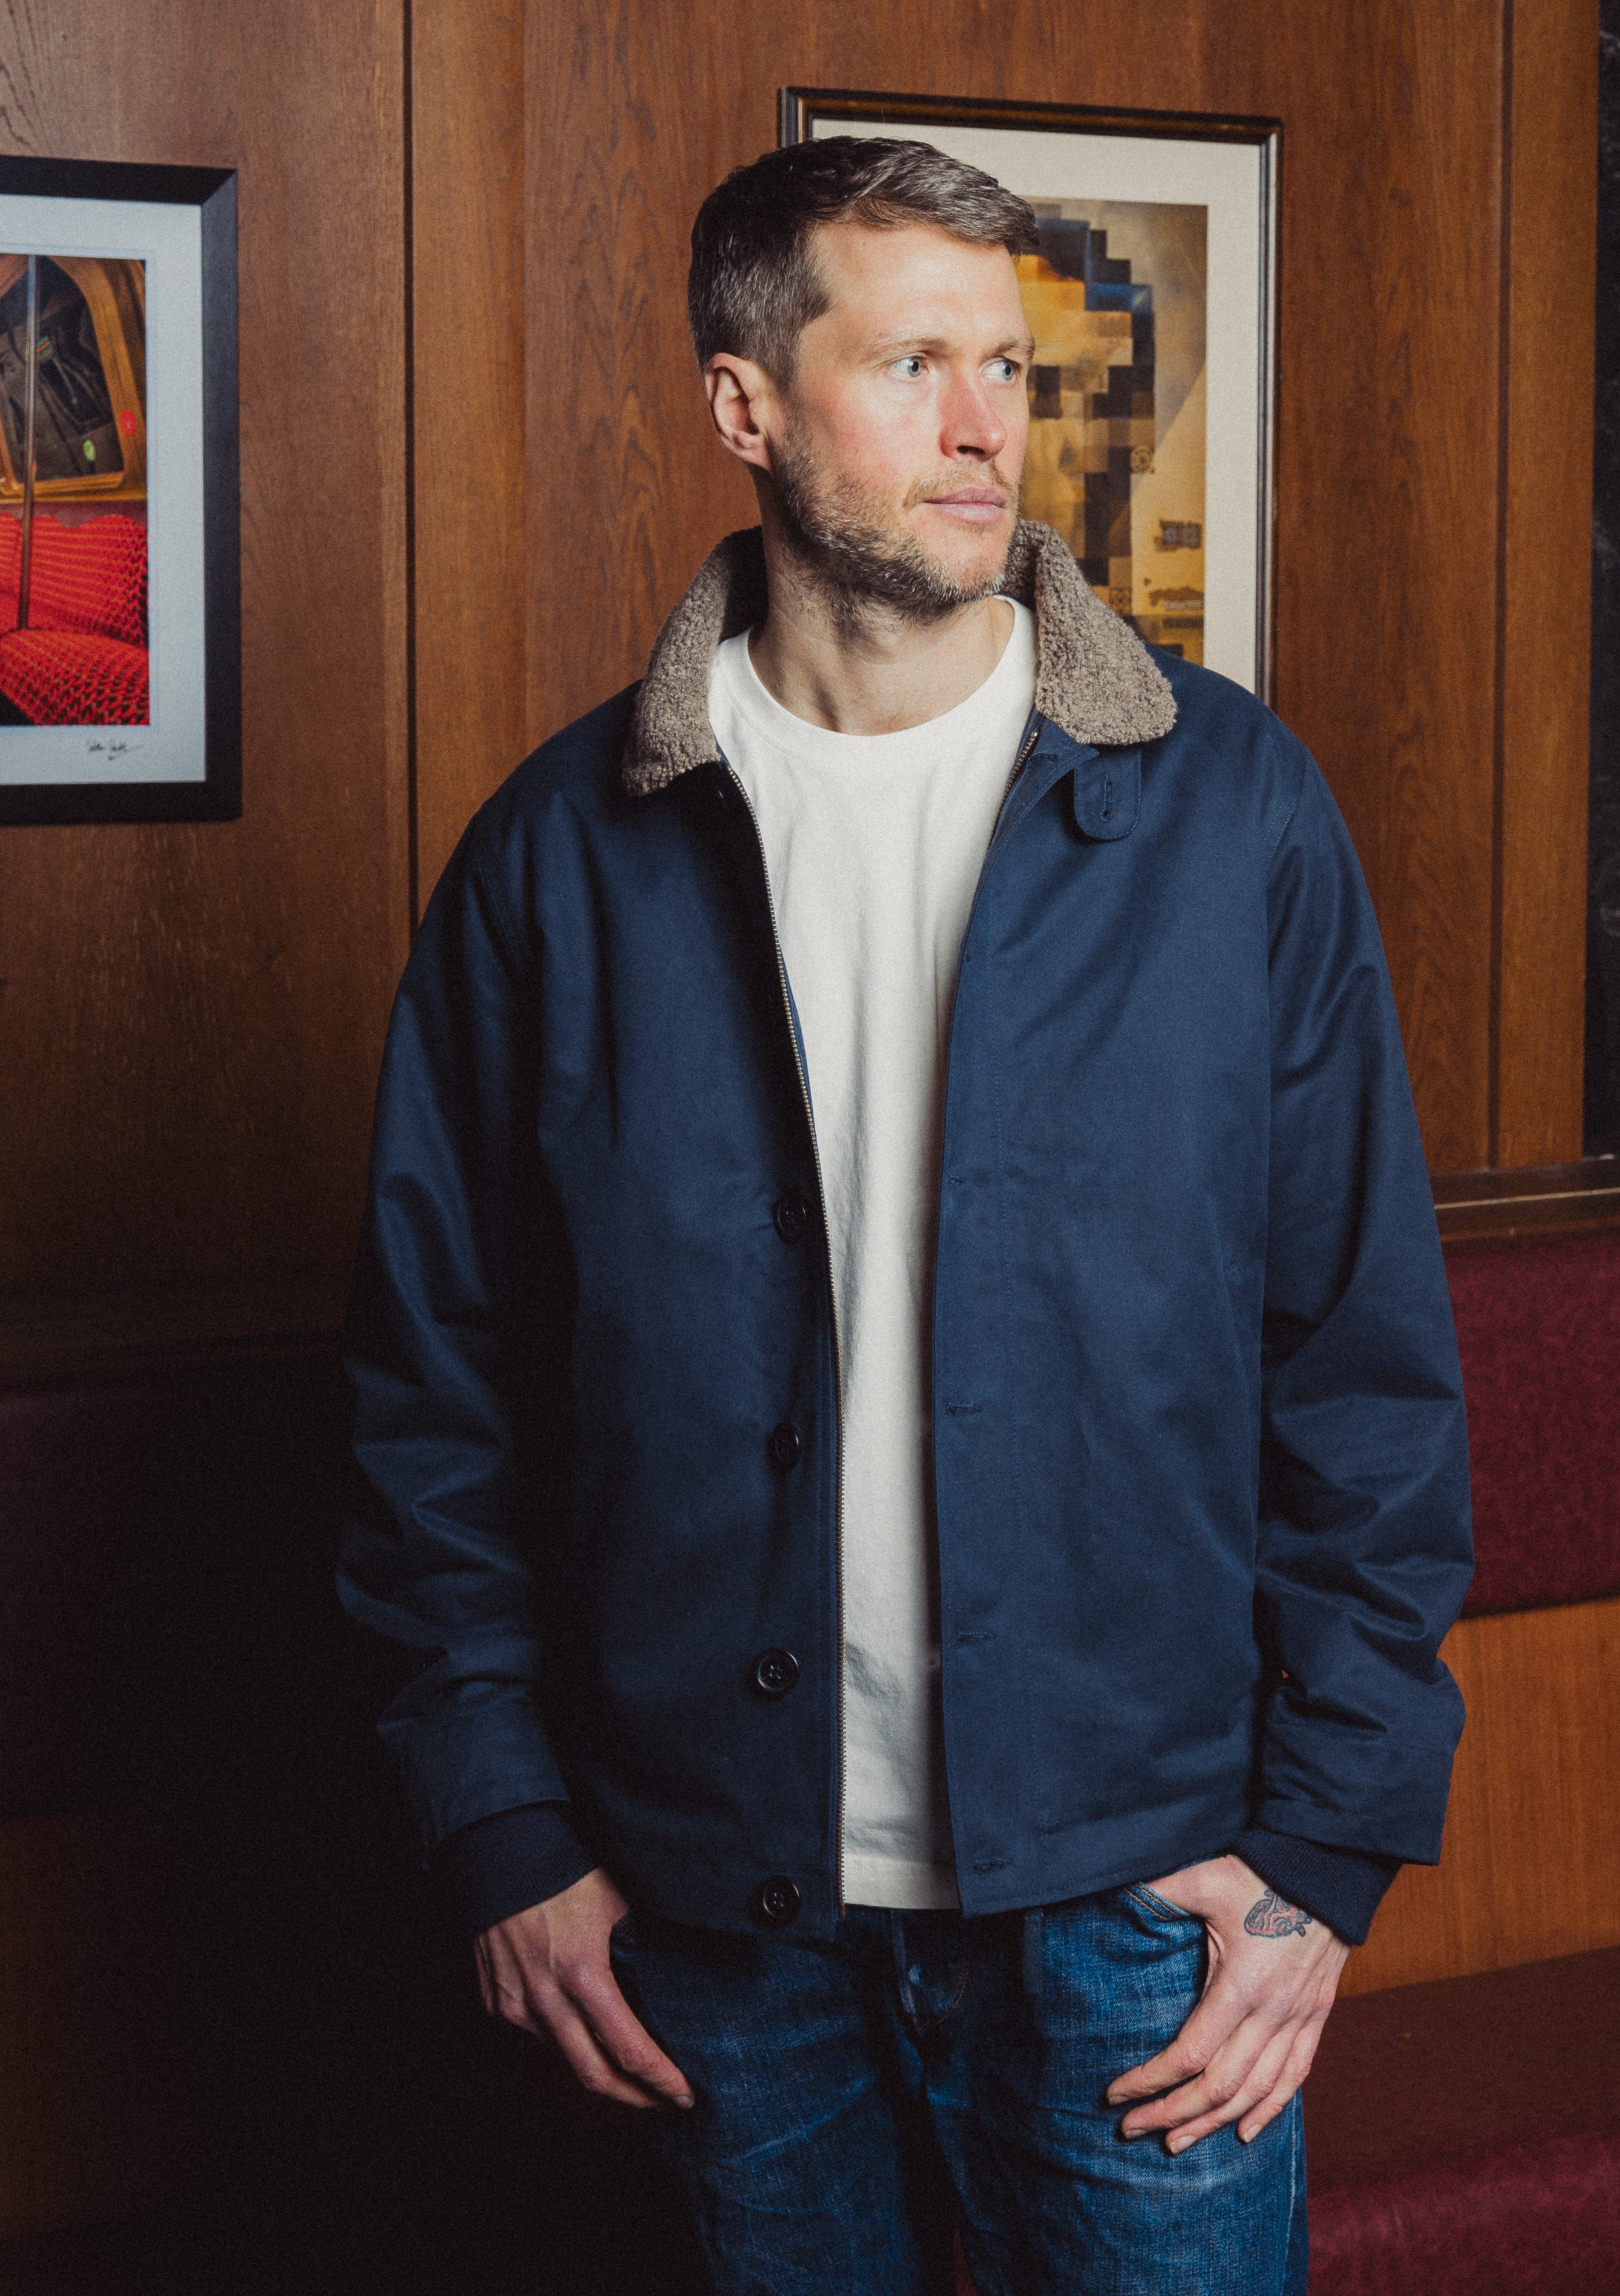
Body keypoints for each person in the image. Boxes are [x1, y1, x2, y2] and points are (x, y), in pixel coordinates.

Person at [340, 136, 1472, 2296]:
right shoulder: (553, 858)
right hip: (711, 1916)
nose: (985, 429)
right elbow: (436, 1393)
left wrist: (1323, 1844)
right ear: (744, 403)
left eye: (1007, 370)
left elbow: (1360, 1362)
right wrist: (501, 1826)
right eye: (910, 363)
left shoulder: (1229, 812)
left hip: (1143, 1909)